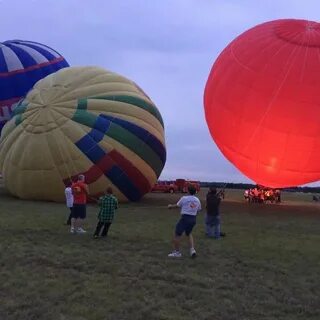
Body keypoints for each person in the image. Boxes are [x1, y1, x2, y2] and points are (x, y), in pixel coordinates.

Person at [167, 185, 201, 258]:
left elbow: (177, 205)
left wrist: (170, 206)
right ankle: (192, 250)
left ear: (188, 191)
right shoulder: (197, 200)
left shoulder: (184, 198)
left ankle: (177, 252)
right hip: (193, 219)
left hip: (185, 218)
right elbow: (198, 210)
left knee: (177, 234)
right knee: (188, 233)